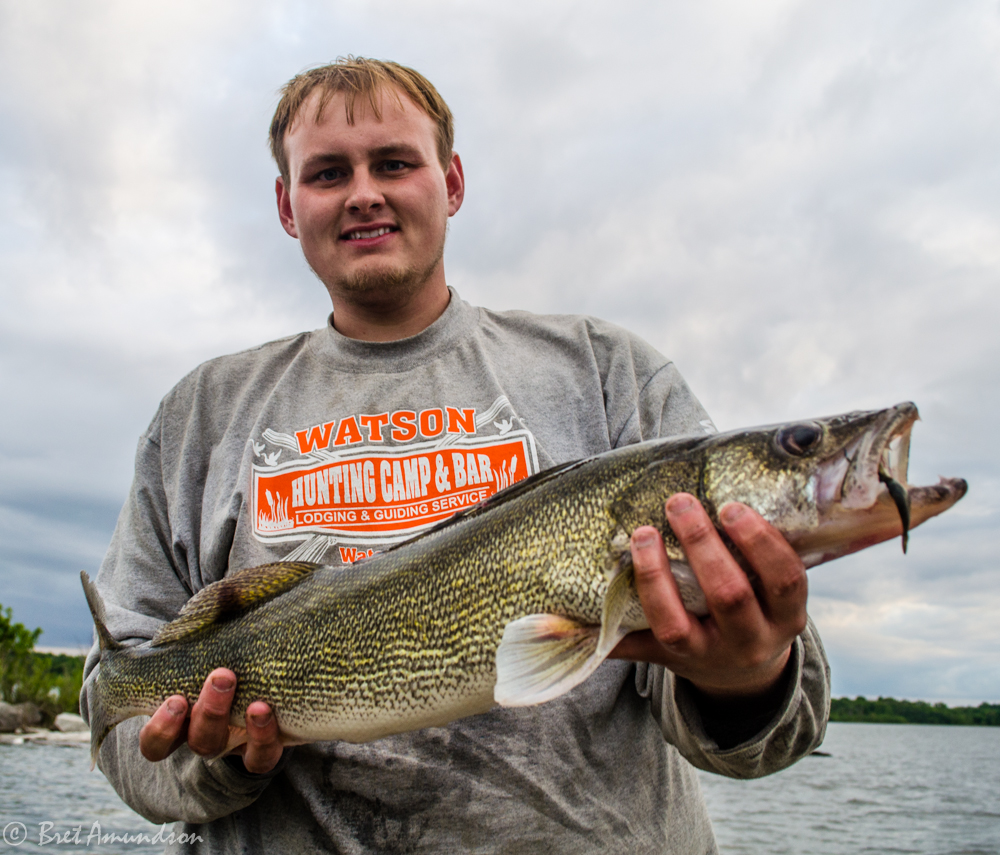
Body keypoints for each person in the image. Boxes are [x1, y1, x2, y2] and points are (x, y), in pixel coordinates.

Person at [82, 57, 830, 854]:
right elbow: (115, 702)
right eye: (328, 172)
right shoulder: (201, 413)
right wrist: (211, 761)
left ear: (453, 181)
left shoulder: (608, 373)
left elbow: (772, 731)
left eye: (395, 163)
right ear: (286, 206)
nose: (364, 191)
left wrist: (744, 676)